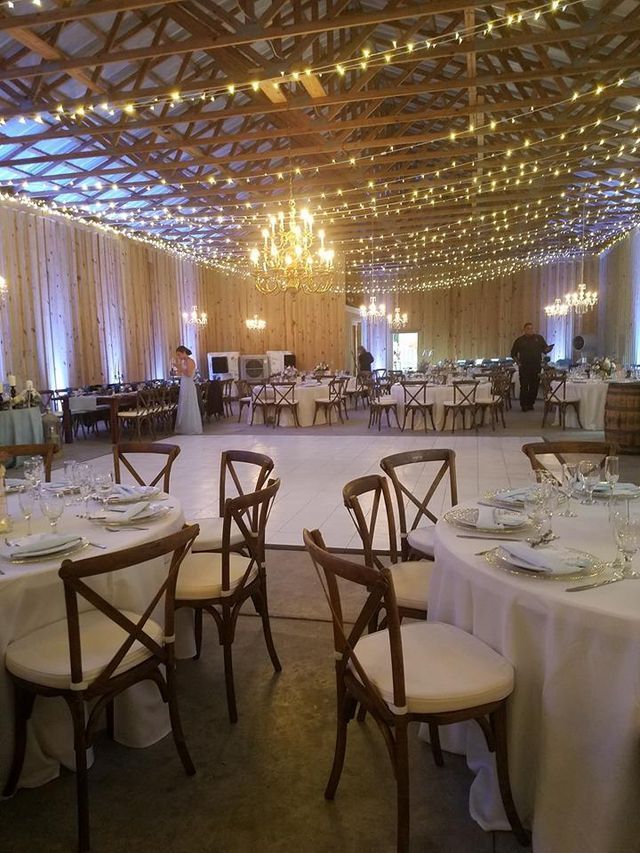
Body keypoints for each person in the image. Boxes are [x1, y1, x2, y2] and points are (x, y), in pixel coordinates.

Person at [510, 323, 554, 411]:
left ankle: (531, 403)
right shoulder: (519, 340)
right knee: (524, 386)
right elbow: (513, 354)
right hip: (524, 367)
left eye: (531, 328)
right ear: (524, 329)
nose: (530, 330)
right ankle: (524, 405)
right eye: (528, 328)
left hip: (536, 366)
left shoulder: (539, 338)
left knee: (535, 386)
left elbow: (545, 350)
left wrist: (549, 348)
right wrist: (518, 363)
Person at [174, 345, 203, 434]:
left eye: (179, 354)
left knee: (190, 404)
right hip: (184, 384)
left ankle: (191, 427)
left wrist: (179, 367)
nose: (178, 357)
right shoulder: (183, 362)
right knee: (184, 404)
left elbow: (189, 374)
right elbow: (180, 374)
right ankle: (184, 426)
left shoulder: (190, 361)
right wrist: (177, 369)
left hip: (189, 384)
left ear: (184, 353)